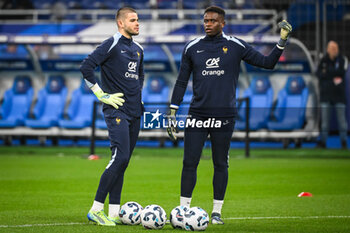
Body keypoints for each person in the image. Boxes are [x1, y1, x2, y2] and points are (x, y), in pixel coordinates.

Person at [167, 6, 292, 224]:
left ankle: (217, 213)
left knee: (220, 164)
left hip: (224, 116)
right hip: (197, 114)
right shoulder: (192, 48)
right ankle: (182, 211)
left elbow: (267, 63)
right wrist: (173, 111)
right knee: (189, 162)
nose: (208, 24)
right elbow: (181, 81)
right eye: (205, 20)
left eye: (213, 21)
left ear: (223, 23)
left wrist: (281, 41)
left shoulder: (236, 45)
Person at [80, 7, 144, 226]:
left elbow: (139, 77)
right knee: (120, 157)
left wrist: (139, 100)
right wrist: (102, 95)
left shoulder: (138, 49)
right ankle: (97, 209)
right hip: (116, 111)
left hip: (136, 113)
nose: (137, 23)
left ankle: (114, 212)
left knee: (123, 162)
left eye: (138, 20)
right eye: (133, 20)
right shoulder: (111, 44)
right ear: (120, 23)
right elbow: (86, 67)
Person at [316, 41, 348, 149]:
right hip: (326, 95)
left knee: (342, 122)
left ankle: (344, 142)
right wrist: (332, 75)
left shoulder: (342, 60)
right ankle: (323, 142)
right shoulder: (323, 60)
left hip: (339, 96)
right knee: (324, 123)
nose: (334, 50)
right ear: (327, 49)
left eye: (336, 48)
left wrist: (327, 74)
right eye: (332, 48)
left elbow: (341, 73)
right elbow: (319, 74)